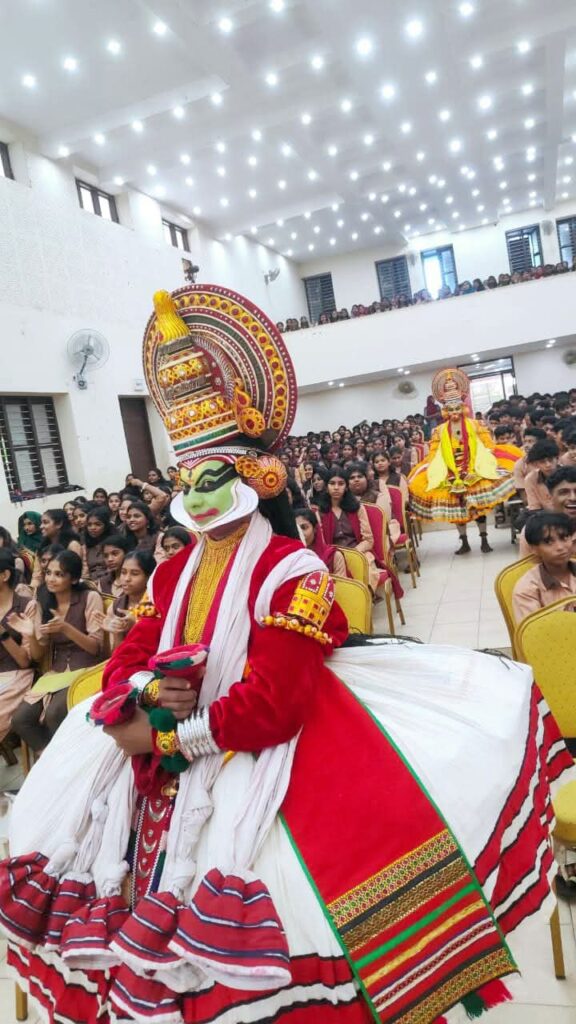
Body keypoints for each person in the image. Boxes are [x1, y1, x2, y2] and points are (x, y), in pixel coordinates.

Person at [2, 285, 572, 1024]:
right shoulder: (171, 572)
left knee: (296, 919)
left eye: (212, 478)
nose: (197, 496)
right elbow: (127, 659)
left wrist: (167, 736)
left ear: (255, 478)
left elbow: (273, 705)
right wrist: (141, 697)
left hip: (257, 750)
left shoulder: (292, 570)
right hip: (153, 754)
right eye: (186, 480)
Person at [409, 368, 521, 553]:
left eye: (457, 408)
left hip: (474, 468)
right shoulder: (439, 431)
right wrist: (434, 466)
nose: (454, 412)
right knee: (458, 511)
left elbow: (487, 445)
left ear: (462, 407)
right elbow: (435, 452)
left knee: (478, 508)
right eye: (450, 409)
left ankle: (484, 539)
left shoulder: (475, 424)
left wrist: (484, 460)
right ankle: (464, 542)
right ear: (445, 410)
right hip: (450, 471)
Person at [10, 550, 104, 752]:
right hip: (57, 672)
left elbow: (95, 648)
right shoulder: (42, 601)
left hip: (88, 669)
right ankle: (51, 758)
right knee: (20, 719)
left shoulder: (89, 597)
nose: (51, 579)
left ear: (74, 579)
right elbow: (37, 656)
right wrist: (30, 635)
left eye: (59, 574)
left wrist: (66, 628)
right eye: (48, 573)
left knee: (54, 714)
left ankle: (66, 759)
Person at [318, 466, 379, 593]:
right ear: (326, 487)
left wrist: (353, 554)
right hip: (333, 557)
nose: (336, 487)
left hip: (359, 552)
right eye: (332, 483)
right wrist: (338, 556)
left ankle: (366, 599)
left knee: (366, 568)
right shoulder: (320, 512)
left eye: (341, 484)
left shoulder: (357, 508)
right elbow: (321, 543)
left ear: (346, 487)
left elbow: (368, 540)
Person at [512, 511, 576, 623]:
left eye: (564, 537)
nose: (560, 547)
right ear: (534, 549)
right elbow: (535, 631)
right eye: (548, 541)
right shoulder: (527, 589)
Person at [0, 550, 35, 744]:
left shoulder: (26, 606)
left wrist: (3, 633)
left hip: (16, 675)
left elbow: (24, 661)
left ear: (4, 575)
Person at [100, 550, 156, 652]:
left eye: (134, 574)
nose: (126, 579)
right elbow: (117, 653)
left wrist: (137, 623)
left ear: (149, 577)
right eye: (123, 572)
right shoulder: (116, 606)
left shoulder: (158, 603)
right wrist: (117, 632)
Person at [31, 509, 83, 589]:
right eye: (41, 523)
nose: (41, 526)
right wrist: (32, 590)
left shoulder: (73, 545)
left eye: (45, 522)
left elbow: (77, 575)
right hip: (47, 587)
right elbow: (37, 576)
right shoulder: (41, 547)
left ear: (59, 524)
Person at [294, 507, 347, 576]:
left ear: (315, 529)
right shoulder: (291, 559)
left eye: (304, 527)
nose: (300, 533)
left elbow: (340, 583)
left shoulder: (333, 556)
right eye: (297, 529)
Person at [524, 439, 560, 511]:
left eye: (550, 460)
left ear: (557, 459)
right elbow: (534, 508)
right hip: (544, 514)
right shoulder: (530, 479)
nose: (548, 465)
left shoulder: (570, 474)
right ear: (536, 464)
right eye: (542, 462)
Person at [82, 506, 113, 584]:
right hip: (91, 584)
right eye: (89, 525)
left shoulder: (114, 544)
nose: (93, 528)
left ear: (106, 525)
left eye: (97, 524)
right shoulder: (86, 546)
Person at [99, 533, 131, 598]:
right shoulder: (103, 583)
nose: (109, 559)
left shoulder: (134, 582)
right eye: (106, 556)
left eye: (115, 554)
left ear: (126, 553)